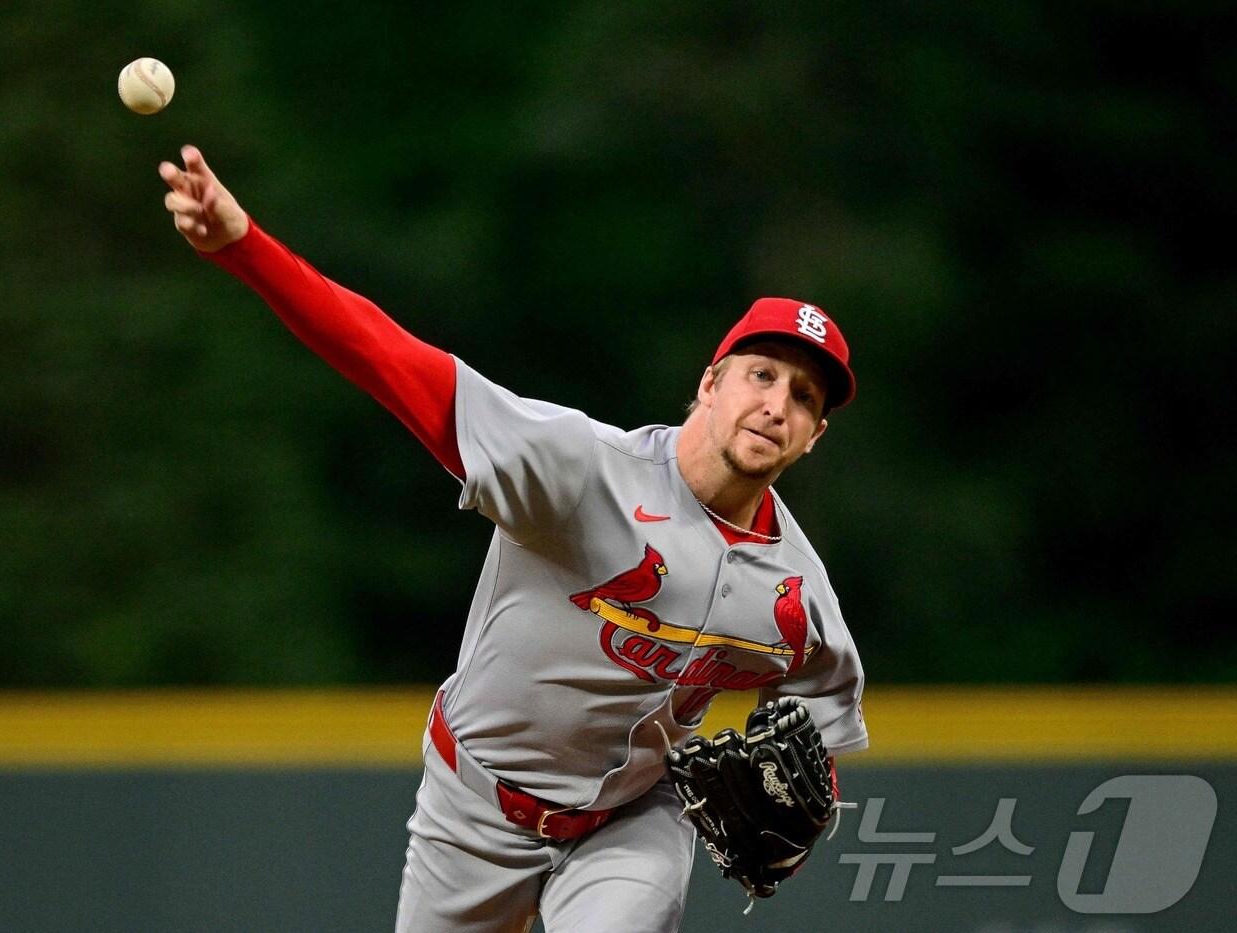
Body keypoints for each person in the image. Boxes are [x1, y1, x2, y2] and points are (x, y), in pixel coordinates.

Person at [159, 145, 868, 933]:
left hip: (631, 823)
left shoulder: (796, 591)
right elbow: (390, 359)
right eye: (761, 374)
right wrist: (243, 247)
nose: (777, 403)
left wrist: (806, 811)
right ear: (710, 383)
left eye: (804, 397)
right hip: (473, 806)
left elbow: (820, 720)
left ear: (814, 437)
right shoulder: (578, 469)